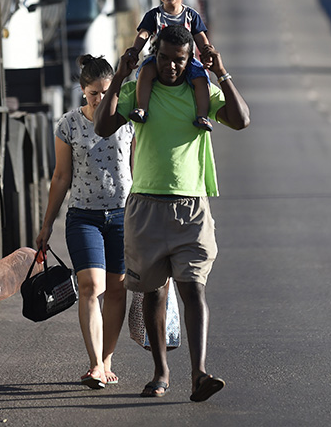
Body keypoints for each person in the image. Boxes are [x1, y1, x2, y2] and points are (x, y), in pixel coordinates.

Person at [94, 25, 251, 402]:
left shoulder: (201, 91)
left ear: (189, 59)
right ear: (155, 55)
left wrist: (221, 72)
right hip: (146, 205)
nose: (170, 66)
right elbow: (103, 126)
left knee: (193, 288)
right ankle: (160, 372)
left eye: (178, 60)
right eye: (163, 58)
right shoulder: (139, 90)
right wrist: (120, 77)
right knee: (153, 293)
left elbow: (241, 119)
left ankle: (199, 373)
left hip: (191, 207)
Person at [36, 55, 134, 390]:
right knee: (92, 287)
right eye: (94, 93)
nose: (100, 99)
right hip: (83, 217)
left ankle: (106, 361)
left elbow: (138, 171)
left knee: (117, 289)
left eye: (107, 92)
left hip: (123, 215)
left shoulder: (128, 121)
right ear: (82, 90)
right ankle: (94, 365)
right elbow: (61, 177)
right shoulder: (68, 125)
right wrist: (47, 225)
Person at [128, 0, 215, 132]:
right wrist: (134, 51)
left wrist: (207, 54)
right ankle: (142, 109)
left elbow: (201, 38)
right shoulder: (154, 15)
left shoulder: (191, 16)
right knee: (146, 72)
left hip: (186, 61)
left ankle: (202, 115)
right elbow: (143, 34)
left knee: (201, 79)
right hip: (159, 59)